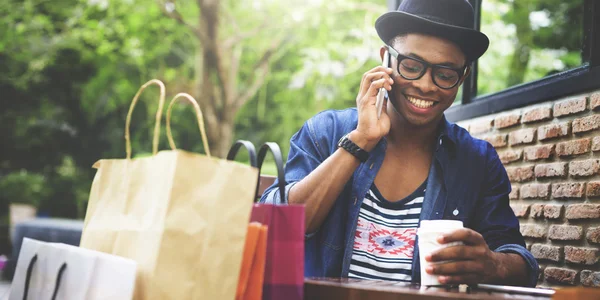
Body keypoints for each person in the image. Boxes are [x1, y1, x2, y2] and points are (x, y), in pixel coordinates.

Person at [260, 0, 538, 287]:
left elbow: (521, 262)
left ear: (463, 76)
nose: (426, 85)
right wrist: (360, 141)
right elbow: (274, 225)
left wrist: (492, 264)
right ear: (386, 59)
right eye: (412, 66)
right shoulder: (327, 132)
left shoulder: (476, 161)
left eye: (445, 74)